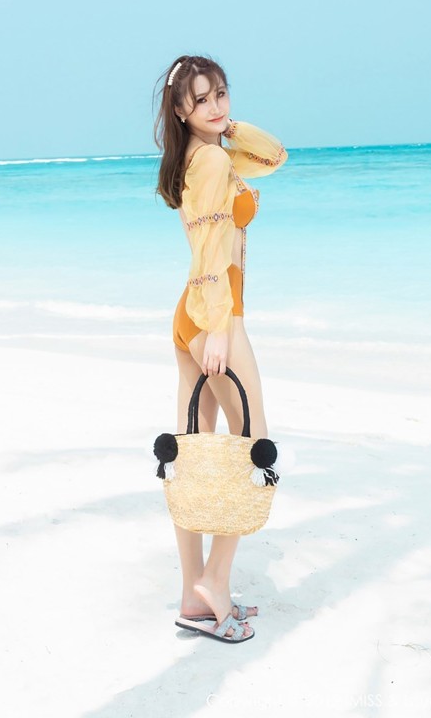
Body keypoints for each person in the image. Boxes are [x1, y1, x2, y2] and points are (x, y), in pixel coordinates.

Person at [153, 54, 288, 643]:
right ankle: (214, 581)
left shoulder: (204, 152)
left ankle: (192, 593)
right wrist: (219, 329)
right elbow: (212, 246)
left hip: (193, 312)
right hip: (214, 315)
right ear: (180, 109)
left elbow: (273, 158)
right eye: (203, 100)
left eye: (222, 94)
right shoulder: (208, 161)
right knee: (253, 450)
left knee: (189, 455)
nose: (217, 107)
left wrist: (230, 126)